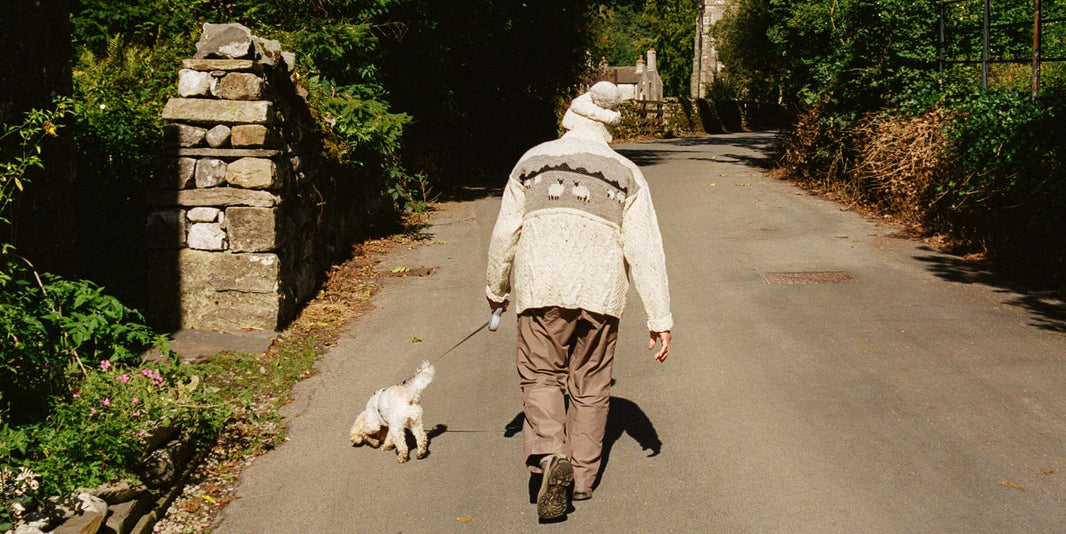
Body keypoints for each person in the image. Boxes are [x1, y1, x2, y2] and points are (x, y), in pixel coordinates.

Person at [485, 81, 673, 521]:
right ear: (607, 128)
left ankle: (551, 456)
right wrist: (659, 317)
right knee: (590, 386)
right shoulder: (627, 172)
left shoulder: (531, 160)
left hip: (540, 288)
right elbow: (646, 248)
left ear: (569, 119)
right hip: (600, 294)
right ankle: (582, 480)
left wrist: (496, 289)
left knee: (541, 376)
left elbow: (504, 233)